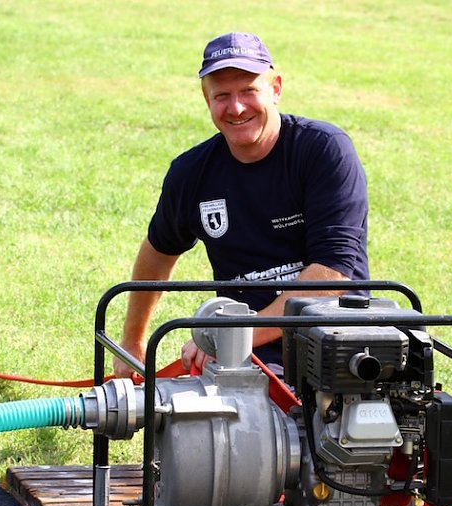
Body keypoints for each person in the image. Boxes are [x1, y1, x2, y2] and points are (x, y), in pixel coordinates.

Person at [113, 31, 369, 377]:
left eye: (249, 91)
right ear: (207, 101)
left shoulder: (323, 150)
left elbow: (331, 273)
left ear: (275, 88)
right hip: (241, 356)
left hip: (333, 340)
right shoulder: (191, 173)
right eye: (222, 96)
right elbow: (159, 250)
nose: (235, 108)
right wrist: (132, 341)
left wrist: (233, 335)